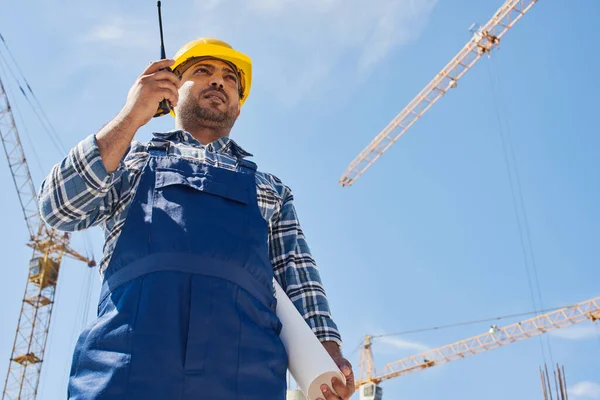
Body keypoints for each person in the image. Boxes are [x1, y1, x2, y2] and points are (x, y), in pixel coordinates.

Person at [39, 38, 354, 400]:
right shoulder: (129, 162)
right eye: (202, 71)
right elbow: (58, 207)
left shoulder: (271, 190)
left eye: (229, 78)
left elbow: (298, 275)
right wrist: (132, 115)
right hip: (126, 368)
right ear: (170, 91)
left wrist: (328, 351)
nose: (218, 82)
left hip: (244, 375)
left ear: (238, 108)